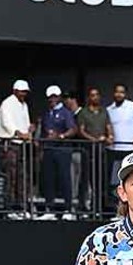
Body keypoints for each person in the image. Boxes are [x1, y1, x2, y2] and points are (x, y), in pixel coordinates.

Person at [38, 85, 78, 217]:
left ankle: (68, 209)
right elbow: (44, 132)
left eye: (55, 96)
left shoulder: (66, 112)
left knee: (64, 179)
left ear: (59, 97)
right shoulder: (46, 114)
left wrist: (61, 136)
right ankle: (50, 209)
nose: (52, 99)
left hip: (62, 150)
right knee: (49, 179)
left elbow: (73, 129)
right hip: (49, 150)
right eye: (50, 97)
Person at [0, 80, 34, 211]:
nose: (24, 94)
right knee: (10, 176)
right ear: (15, 91)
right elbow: (7, 123)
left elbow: (26, 123)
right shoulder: (7, 104)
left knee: (22, 176)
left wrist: (29, 131)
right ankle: (9, 208)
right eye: (21, 91)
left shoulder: (24, 105)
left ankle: (21, 206)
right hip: (10, 144)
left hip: (22, 145)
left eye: (25, 92)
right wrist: (18, 133)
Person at [107, 84, 133, 189]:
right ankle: (112, 202)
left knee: (130, 178)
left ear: (125, 94)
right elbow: (107, 126)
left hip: (130, 148)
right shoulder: (109, 109)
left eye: (121, 92)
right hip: (113, 148)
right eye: (117, 92)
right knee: (112, 179)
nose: (119, 94)